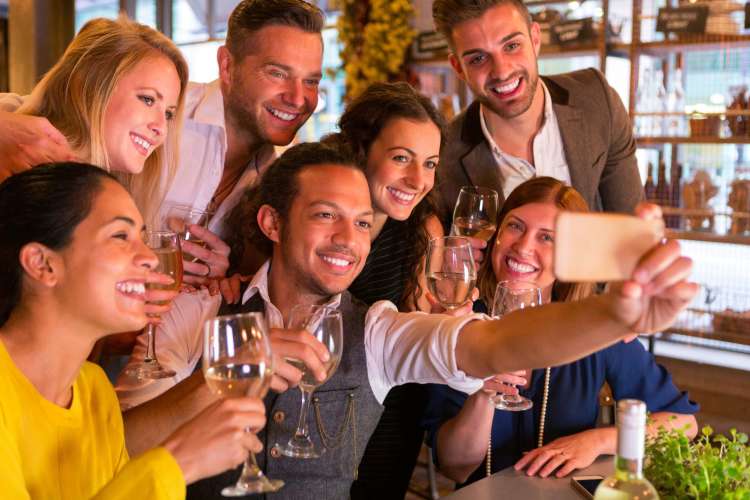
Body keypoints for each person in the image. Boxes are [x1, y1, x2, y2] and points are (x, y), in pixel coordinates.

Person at [114, 141, 695, 499]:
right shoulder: (198, 310)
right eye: (325, 216)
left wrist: (618, 311)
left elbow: (492, 342)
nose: (349, 240)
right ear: (271, 222)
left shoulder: (379, 330)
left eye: (363, 223)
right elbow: (118, 449)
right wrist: (220, 370)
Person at [0, 0, 325, 284]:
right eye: (277, 73)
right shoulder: (161, 105)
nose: (299, 98)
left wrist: (225, 276)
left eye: (311, 80)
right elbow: (45, 108)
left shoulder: (276, 181)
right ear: (227, 65)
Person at [0, 163, 267, 499]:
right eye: (120, 236)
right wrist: (178, 463)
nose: (150, 258)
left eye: (142, 236)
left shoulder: (94, 391)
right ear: (43, 263)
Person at [423, 177, 698, 487]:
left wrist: (595, 442)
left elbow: (683, 424)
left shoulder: (595, 325)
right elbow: (454, 466)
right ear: (496, 235)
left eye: (547, 238)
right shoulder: (460, 323)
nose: (524, 247)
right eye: (515, 226)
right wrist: (483, 396)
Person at [431, 0, 643, 223]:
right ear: (458, 69)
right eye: (478, 59)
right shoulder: (443, 158)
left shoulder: (597, 101)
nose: (502, 72)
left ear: (535, 39)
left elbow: (630, 227)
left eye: (511, 46)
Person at [13, 17, 188, 227]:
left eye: (169, 114)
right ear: (93, 88)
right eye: (148, 100)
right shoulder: (31, 191)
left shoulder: (102, 192)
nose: (161, 128)